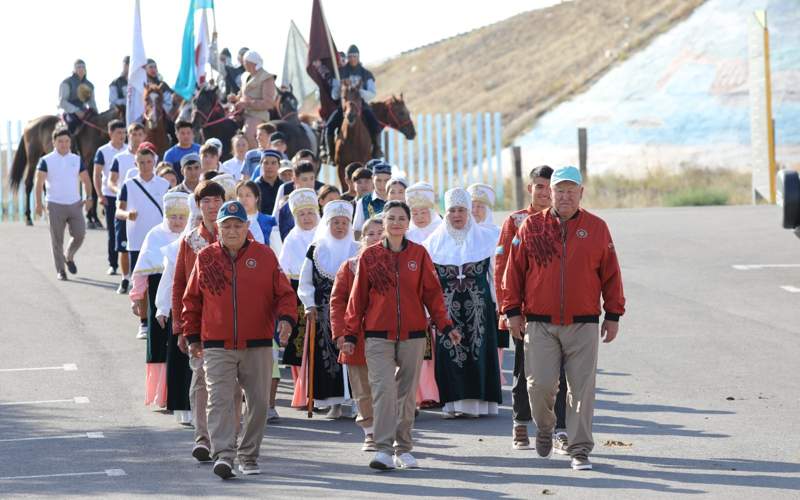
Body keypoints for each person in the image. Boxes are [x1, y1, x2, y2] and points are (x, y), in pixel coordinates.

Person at [503, 166, 626, 471]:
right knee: (539, 385)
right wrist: (512, 312)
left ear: (581, 193)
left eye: (572, 191)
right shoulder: (531, 227)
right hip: (539, 323)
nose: (565, 196)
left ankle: (579, 448)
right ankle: (545, 427)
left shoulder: (597, 228)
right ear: (550, 193)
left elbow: (611, 274)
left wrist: (613, 314)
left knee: (581, 388)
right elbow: (513, 272)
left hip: (583, 322)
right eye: (560, 191)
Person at [182, 200, 297, 479]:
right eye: (227, 226)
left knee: (258, 404)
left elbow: (285, 294)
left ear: (247, 227)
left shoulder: (266, 256)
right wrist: (193, 336)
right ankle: (224, 455)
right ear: (218, 229)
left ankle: (248, 454)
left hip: (257, 343)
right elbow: (192, 300)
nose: (232, 231)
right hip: (216, 345)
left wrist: (286, 319)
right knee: (219, 400)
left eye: (238, 225)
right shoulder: (206, 258)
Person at [344, 200, 461, 470]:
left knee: (407, 394)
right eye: (391, 218)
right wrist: (350, 334)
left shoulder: (419, 254)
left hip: (413, 335)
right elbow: (356, 298)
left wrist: (446, 326)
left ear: (408, 224)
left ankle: (403, 448)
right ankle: (383, 450)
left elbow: (433, 294)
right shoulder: (369, 256)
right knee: (383, 391)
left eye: (401, 218)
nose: (396, 223)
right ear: (383, 224)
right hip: (377, 335)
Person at [494, 165, 568, 451]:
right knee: (525, 372)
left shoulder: (564, 221)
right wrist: (508, 310)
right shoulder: (515, 221)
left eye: (549, 187)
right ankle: (520, 424)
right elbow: (503, 267)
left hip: (557, 313)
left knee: (560, 375)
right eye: (538, 186)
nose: (543, 192)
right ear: (530, 189)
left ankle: (560, 430)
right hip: (523, 313)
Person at [424, 188, 502, 418]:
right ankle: (454, 404)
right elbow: (428, 283)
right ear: (445, 213)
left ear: (468, 212)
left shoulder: (487, 239)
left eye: (461, 210)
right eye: (452, 211)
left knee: (479, 352)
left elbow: (494, 276)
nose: (457, 215)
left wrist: (500, 306)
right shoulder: (432, 244)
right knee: (450, 355)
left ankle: (480, 404)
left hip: (480, 308)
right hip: (446, 311)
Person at [171, 180, 225, 464]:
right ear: (198, 205)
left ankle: (226, 438)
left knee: (231, 385)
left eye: (217, 200)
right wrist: (181, 327)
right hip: (200, 322)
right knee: (201, 380)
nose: (212, 206)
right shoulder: (190, 240)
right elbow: (179, 282)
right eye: (206, 201)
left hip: (233, 322)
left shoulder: (238, 233)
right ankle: (203, 438)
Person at [298, 200, 360, 419]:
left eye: (344, 222)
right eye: (335, 222)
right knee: (328, 357)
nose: (340, 227)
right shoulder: (315, 250)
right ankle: (333, 403)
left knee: (354, 355)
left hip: (353, 312)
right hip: (324, 314)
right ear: (327, 223)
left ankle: (356, 401)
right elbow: (305, 281)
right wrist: (309, 304)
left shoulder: (358, 249)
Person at [129, 192, 190, 408]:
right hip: (158, 298)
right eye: (173, 216)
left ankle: (178, 392)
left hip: (184, 299)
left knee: (178, 346)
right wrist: (137, 297)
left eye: (182, 217)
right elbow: (140, 272)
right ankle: (159, 394)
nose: (177, 221)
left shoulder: (191, 237)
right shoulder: (154, 235)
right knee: (159, 343)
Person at [330, 215, 383, 451]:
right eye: (371, 233)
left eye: (381, 234)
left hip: (387, 336)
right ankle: (370, 431)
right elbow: (337, 302)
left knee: (385, 387)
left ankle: (388, 429)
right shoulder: (349, 266)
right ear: (362, 238)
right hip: (356, 337)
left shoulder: (398, 263)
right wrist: (341, 334)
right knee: (362, 388)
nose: (376, 238)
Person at [116, 145, 171, 339]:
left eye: (149, 162)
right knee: (140, 283)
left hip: (160, 240)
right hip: (137, 241)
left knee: (161, 281)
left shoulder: (164, 185)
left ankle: (162, 319)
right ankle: (143, 323)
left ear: (154, 163)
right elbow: (118, 211)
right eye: (141, 162)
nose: (146, 166)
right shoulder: (129, 185)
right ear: (135, 163)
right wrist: (127, 214)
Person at [34, 127, 92, 280]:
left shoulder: (76, 159)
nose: (64, 144)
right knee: (57, 239)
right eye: (60, 141)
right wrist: (38, 203)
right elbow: (39, 183)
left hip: (75, 203)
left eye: (67, 141)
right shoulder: (46, 160)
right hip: (55, 204)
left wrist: (89, 197)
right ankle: (61, 270)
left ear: (70, 142)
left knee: (80, 234)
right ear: (54, 142)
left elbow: (86, 180)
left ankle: (69, 255)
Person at [280, 189, 320, 402]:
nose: (306, 218)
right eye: (301, 214)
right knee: (299, 345)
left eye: (310, 213)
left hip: (321, 292)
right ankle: (302, 391)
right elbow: (284, 270)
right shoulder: (291, 239)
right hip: (296, 294)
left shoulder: (324, 235)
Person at [405, 182, 443, 407]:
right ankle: (424, 393)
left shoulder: (442, 232)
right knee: (422, 349)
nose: (419, 216)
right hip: (415, 298)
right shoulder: (407, 235)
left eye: (424, 211)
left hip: (440, 297)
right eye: (415, 212)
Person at [109, 123, 147, 293]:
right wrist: (120, 191)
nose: (136, 137)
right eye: (133, 133)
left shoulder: (151, 157)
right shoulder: (119, 157)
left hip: (143, 211)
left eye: (139, 134)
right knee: (123, 247)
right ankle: (125, 279)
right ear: (129, 135)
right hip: (124, 208)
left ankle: (143, 279)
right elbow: (111, 180)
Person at [326, 45, 382, 158]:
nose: (352, 59)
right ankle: (330, 153)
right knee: (329, 126)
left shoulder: (366, 74)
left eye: (355, 56)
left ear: (359, 57)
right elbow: (334, 95)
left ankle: (376, 150)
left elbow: (372, 93)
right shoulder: (339, 73)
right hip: (343, 107)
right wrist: (340, 88)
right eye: (350, 56)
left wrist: (358, 92)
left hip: (361, 106)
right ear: (347, 57)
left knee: (376, 125)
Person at [93, 119, 127, 275]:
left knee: (129, 230)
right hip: (110, 196)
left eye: (124, 132)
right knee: (113, 231)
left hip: (128, 197)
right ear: (110, 133)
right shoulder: (103, 151)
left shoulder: (129, 150)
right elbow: (97, 174)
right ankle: (113, 264)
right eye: (119, 133)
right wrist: (100, 195)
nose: (122, 136)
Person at [229, 50, 277, 148]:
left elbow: (268, 103)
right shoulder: (245, 76)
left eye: (245, 62)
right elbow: (242, 95)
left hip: (257, 115)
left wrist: (248, 103)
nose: (243, 65)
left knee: (248, 135)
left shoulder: (267, 78)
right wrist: (235, 98)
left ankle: (257, 157)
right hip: (241, 113)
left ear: (252, 63)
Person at [274, 161, 319, 241]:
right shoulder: (287, 206)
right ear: (295, 180)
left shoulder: (320, 201)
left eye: (312, 179)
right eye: (305, 179)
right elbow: (283, 233)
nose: (309, 183)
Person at [235, 180, 280, 250]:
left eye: (248, 195)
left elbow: (277, 251)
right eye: (240, 196)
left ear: (256, 198)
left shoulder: (269, 221)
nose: (244, 199)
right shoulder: (232, 222)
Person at [58, 59, 97, 134]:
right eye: (78, 67)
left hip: (84, 110)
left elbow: (92, 102)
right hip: (69, 112)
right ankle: (71, 144)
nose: (81, 69)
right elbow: (62, 102)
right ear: (74, 70)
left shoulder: (90, 85)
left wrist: (96, 114)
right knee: (72, 123)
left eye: (83, 67)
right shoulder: (67, 82)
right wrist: (76, 111)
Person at [353, 162, 390, 236]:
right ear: (372, 179)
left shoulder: (398, 200)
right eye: (378, 180)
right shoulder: (363, 202)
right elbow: (357, 231)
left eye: (386, 180)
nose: (382, 184)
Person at [254, 150, 284, 215]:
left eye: (273, 163)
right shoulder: (254, 187)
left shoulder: (283, 186)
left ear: (279, 165)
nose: (269, 166)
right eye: (266, 163)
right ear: (261, 165)